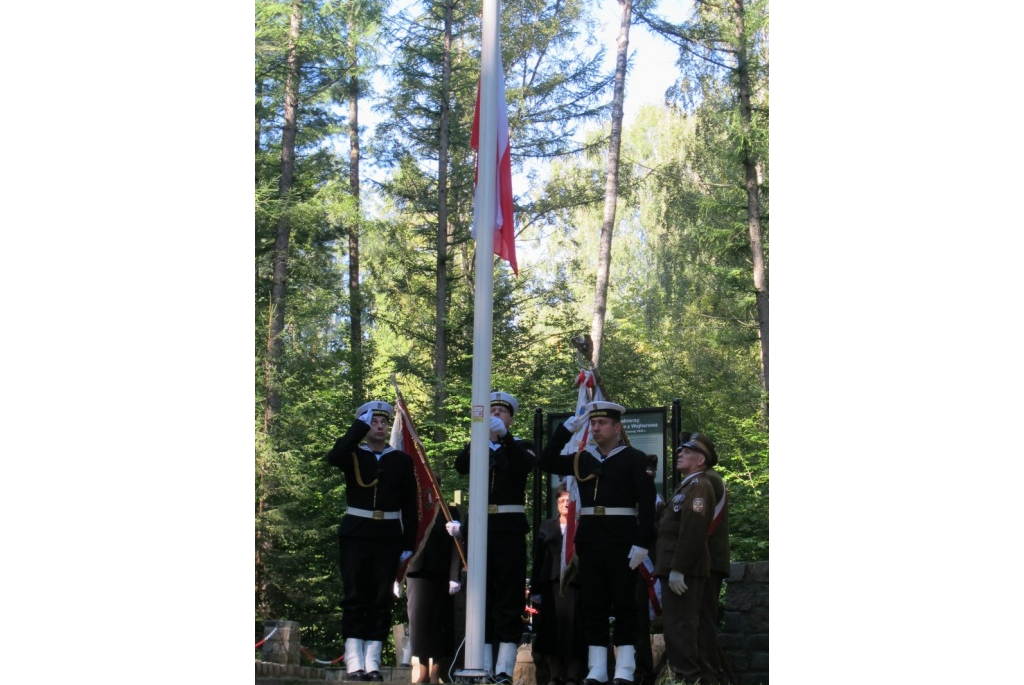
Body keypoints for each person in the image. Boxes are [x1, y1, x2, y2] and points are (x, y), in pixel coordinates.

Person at [538, 401, 656, 685]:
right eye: (593, 423)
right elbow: (546, 461)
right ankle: (597, 669)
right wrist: (566, 430)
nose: (596, 428)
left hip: (622, 538)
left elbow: (648, 504)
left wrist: (642, 543)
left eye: (602, 423)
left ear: (617, 428)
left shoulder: (634, 458)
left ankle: (625, 669)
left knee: (625, 604)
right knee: (594, 605)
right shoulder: (582, 459)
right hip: (590, 539)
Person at [445, 391, 538, 683]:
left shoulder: (521, 446)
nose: (496, 414)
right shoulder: (478, 445)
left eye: (502, 411)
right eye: (493, 410)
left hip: (508, 528)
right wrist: (479, 441)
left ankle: (504, 668)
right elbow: (461, 466)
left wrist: (505, 440)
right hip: (481, 527)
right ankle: (481, 663)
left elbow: (524, 465)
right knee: (480, 596)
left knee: (508, 597)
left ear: (511, 417)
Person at [327, 401, 418, 682]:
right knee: (355, 595)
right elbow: (334, 456)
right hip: (356, 532)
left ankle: (373, 662)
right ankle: (354, 662)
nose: (379, 426)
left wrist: (408, 542)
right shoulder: (354, 454)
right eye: (373, 421)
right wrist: (358, 427)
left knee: (380, 599)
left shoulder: (400, 460)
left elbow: (410, 505)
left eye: (382, 421)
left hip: (388, 535)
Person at [653, 433, 718, 685]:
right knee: (678, 628)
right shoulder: (687, 486)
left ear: (700, 460)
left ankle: (687, 680)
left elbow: (694, 529)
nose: (680, 454)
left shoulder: (699, 486)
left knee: (681, 630)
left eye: (686, 452)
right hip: (675, 568)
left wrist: (678, 568)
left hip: (683, 572)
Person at [531, 484, 586, 685]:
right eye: (560, 501)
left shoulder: (581, 526)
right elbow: (538, 558)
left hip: (574, 585)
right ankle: (554, 676)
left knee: (574, 631)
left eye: (567, 501)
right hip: (551, 584)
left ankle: (572, 676)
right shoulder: (547, 526)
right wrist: (535, 589)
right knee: (551, 632)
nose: (564, 504)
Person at [407, 499, 464, 684]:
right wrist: (397, 574)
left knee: (441, 626)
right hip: (417, 574)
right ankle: (423, 673)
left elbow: (456, 546)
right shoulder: (413, 509)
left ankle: (436, 673)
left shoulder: (449, 512)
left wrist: (454, 576)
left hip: (441, 575)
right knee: (419, 626)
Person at [688, 434, 729, 685]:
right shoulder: (711, 480)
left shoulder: (706, 482)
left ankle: (709, 676)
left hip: (706, 562)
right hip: (708, 560)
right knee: (703, 621)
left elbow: (697, 523)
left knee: (702, 622)